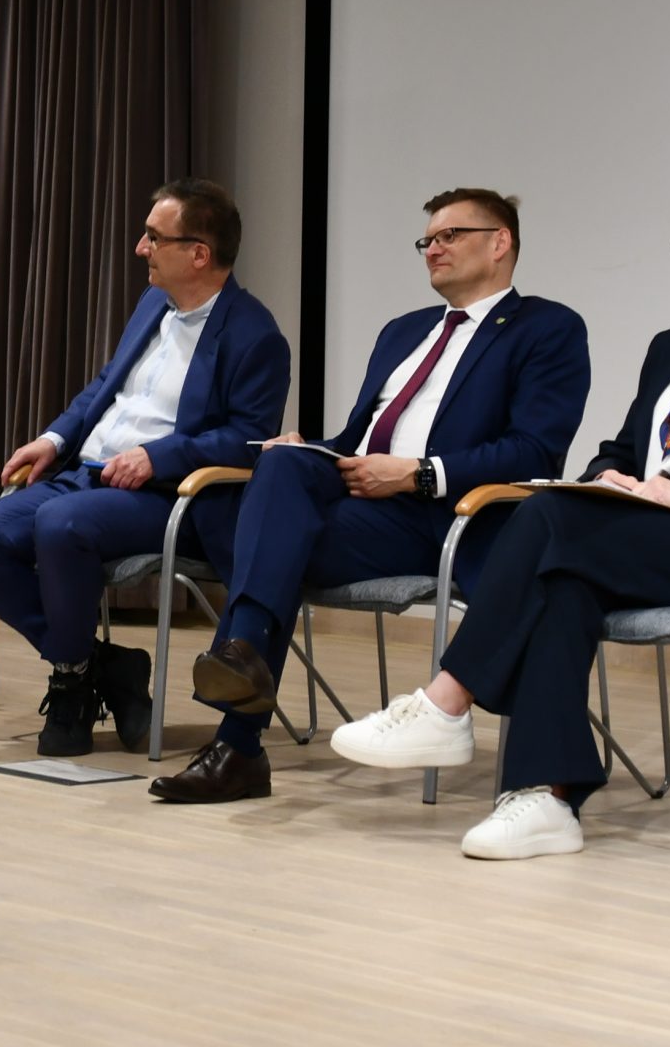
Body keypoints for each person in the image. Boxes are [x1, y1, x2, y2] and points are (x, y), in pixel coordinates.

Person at [333, 195, 670, 860]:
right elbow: (620, 449)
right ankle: (546, 798)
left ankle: (446, 700)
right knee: (560, 582)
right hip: (641, 538)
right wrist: (610, 478)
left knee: (544, 519)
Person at [161, 188, 591, 802]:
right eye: (427, 240)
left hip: (448, 518)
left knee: (272, 552)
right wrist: (309, 447)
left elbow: (534, 451)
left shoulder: (546, 328)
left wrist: (418, 473)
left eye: (450, 236)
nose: (433, 249)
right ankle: (243, 660)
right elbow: (355, 441)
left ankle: (238, 739)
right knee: (280, 466)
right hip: (366, 502)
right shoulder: (404, 331)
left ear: (500, 243)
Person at [0, 180, 289, 757]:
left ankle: (71, 685)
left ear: (199, 253)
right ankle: (98, 666)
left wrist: (159, 455)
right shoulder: (153, 304)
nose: (140, 247)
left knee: (62, 525)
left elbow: (247, 440)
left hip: (168, 496)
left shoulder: (256, 336)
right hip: (84, 474)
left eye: (155, 237)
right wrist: (54, 438)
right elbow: (106, 386)